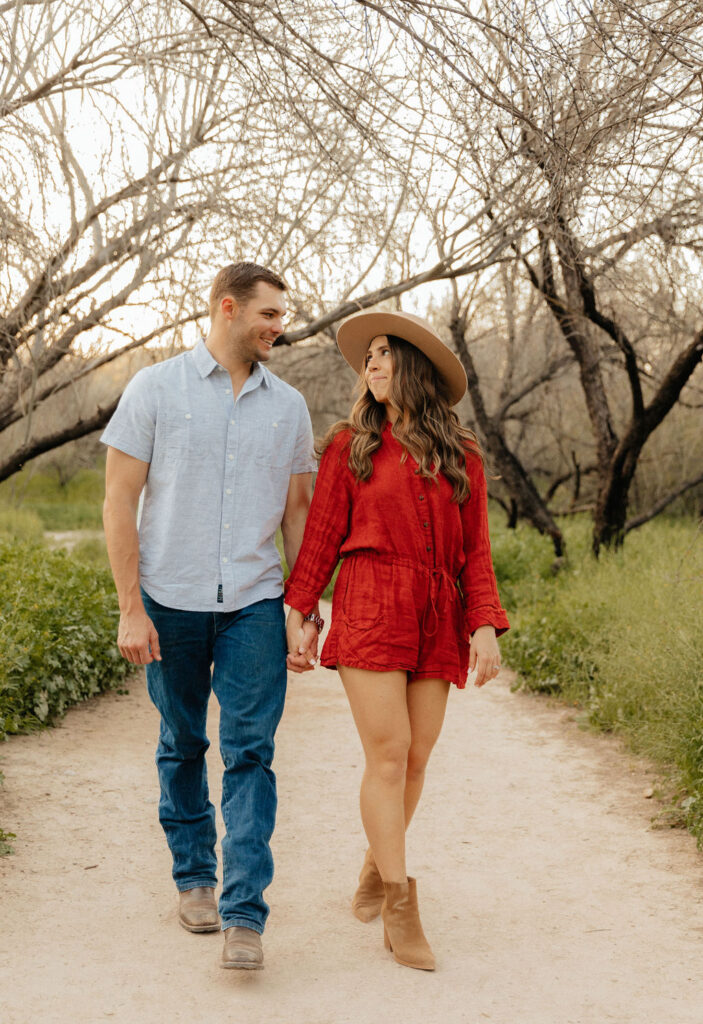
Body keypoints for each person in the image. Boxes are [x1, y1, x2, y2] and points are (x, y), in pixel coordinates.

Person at [101, 262, 320, 971]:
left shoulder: (288, 407)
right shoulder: (153, 389)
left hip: (254, 603)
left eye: (282, 315)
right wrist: (131, 609)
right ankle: (193, 874)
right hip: (169, 599)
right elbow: (117, 502)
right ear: (228, 309)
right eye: (269, 315)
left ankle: (243, 913)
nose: (279, 327)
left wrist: (301, 609)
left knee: (251, 753)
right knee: (183, 740)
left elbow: (297, 512)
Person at [284, 310, 509, 972]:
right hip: (370, 603)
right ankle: (401, 905)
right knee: (389, 754)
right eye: (368, 356)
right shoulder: (347, 448)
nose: (371, 364)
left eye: (383, 353)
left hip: (435, 612)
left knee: (416, 760)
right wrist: (298, 608)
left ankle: (377, 861)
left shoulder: (462, 454)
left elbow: (475, 552)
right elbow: (321, 535)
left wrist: (485, 626)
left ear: (412, 366)